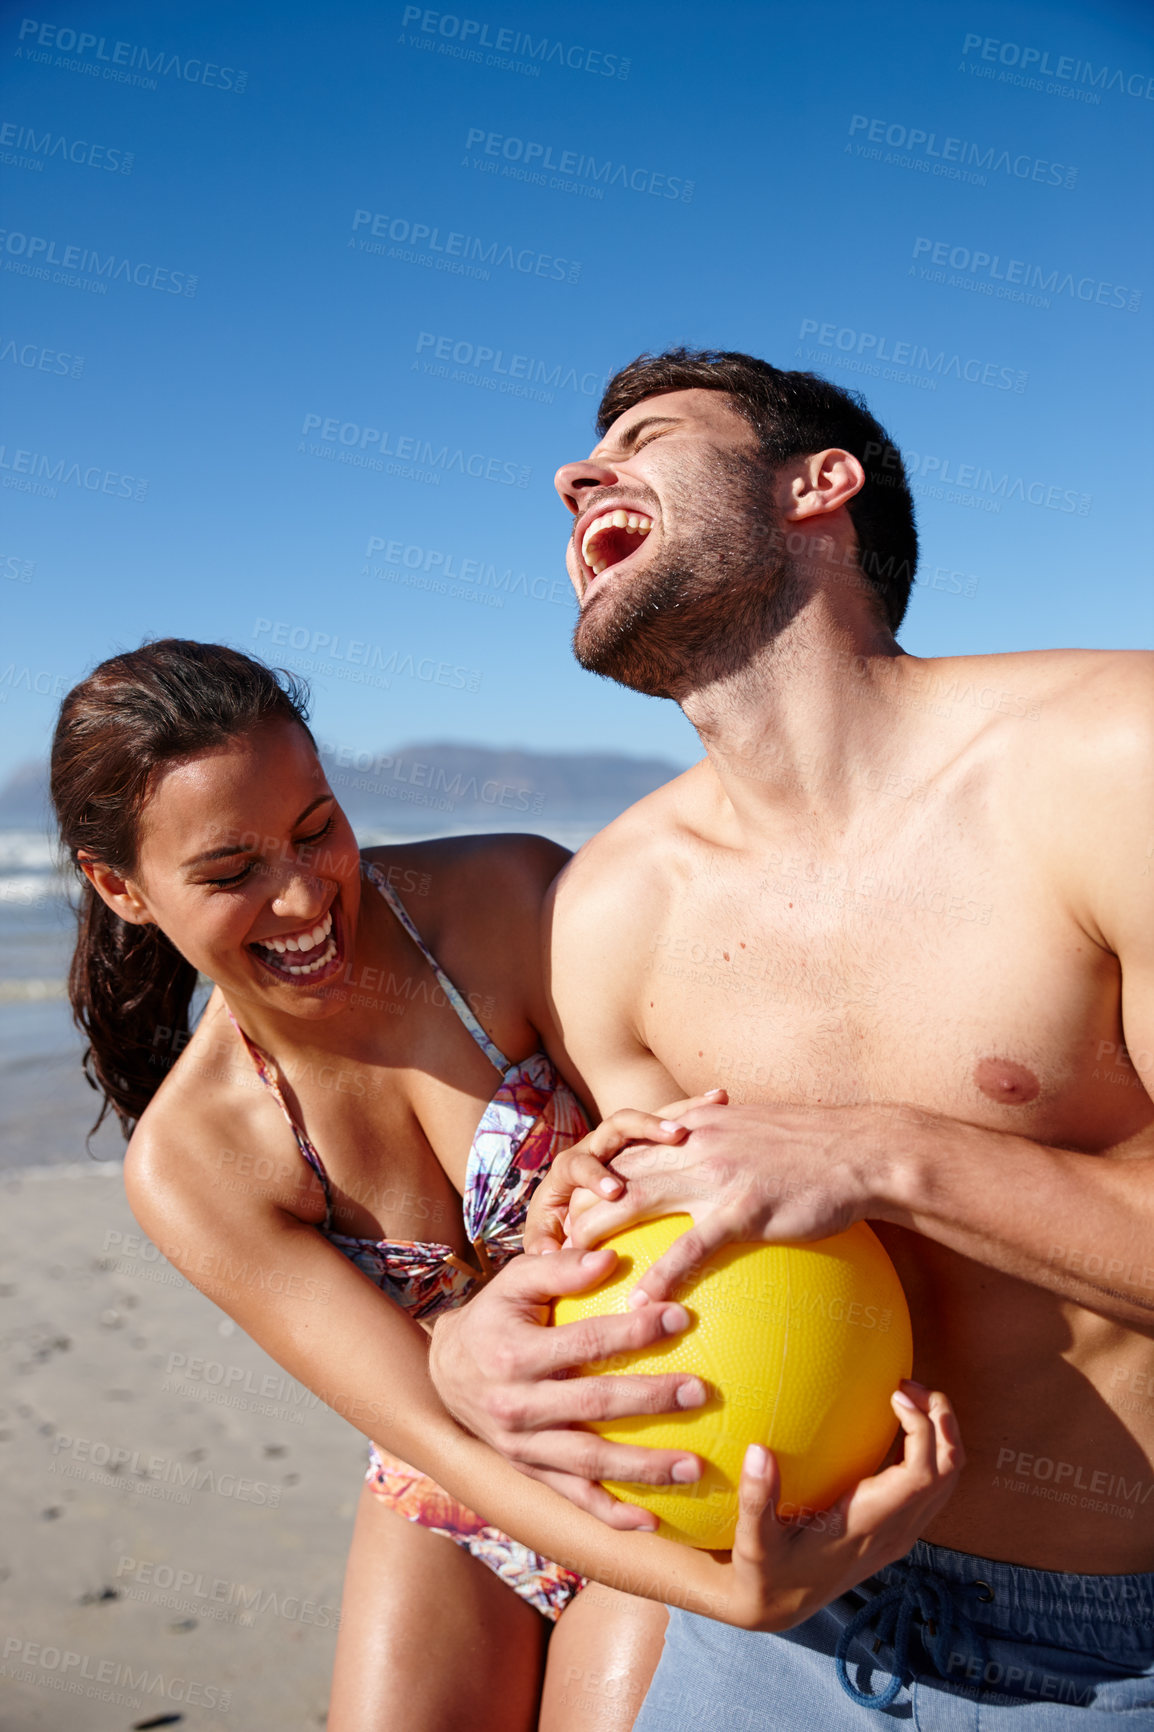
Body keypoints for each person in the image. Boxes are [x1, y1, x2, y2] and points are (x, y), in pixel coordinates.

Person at [427, 348, 1154, 1724]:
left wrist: (884, 1153)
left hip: (1107, 1646)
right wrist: (484, 1334)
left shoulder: (1112, 757)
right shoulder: (612, 909)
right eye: (581, 462)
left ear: (819, 485)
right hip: (772, 1623)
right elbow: (638, 1247)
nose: (579, 474)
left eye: (642, 437)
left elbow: (835, 1166)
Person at [51, 638, 959, 1732]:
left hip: (685, 1456)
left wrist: (616, 1163)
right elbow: (429, 1430)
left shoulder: (502, 899)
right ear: (121, 887)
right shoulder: (193, 1164)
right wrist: (737, 1600)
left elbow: (699, 1124)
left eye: (316, 828)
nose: (302, 896)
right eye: (231, 871)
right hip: (457, 1499)